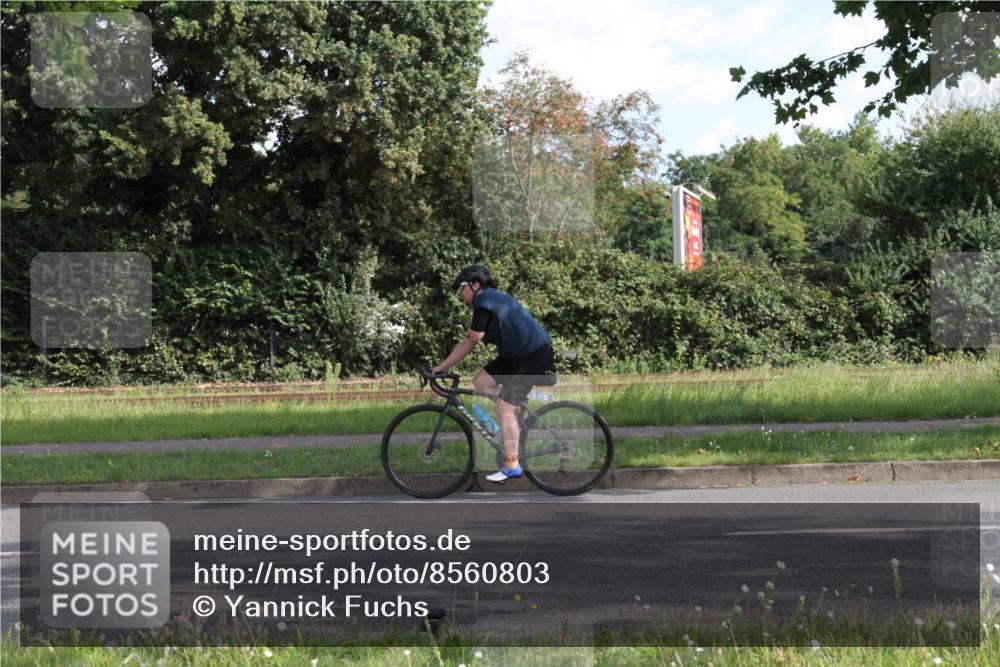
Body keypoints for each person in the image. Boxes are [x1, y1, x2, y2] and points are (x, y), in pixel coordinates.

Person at [432, 264, 555, 483]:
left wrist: (441, 368)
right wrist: (442, 367)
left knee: (504, 407)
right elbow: (471, 341)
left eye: (462, 288)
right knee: (481, 381)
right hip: (515, 355)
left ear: (475, 285)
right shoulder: (489, 299)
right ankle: (510, 420)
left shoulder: (484, 301)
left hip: (532, 355)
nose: (460, 294)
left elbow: (472, 340)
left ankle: (512, 464)